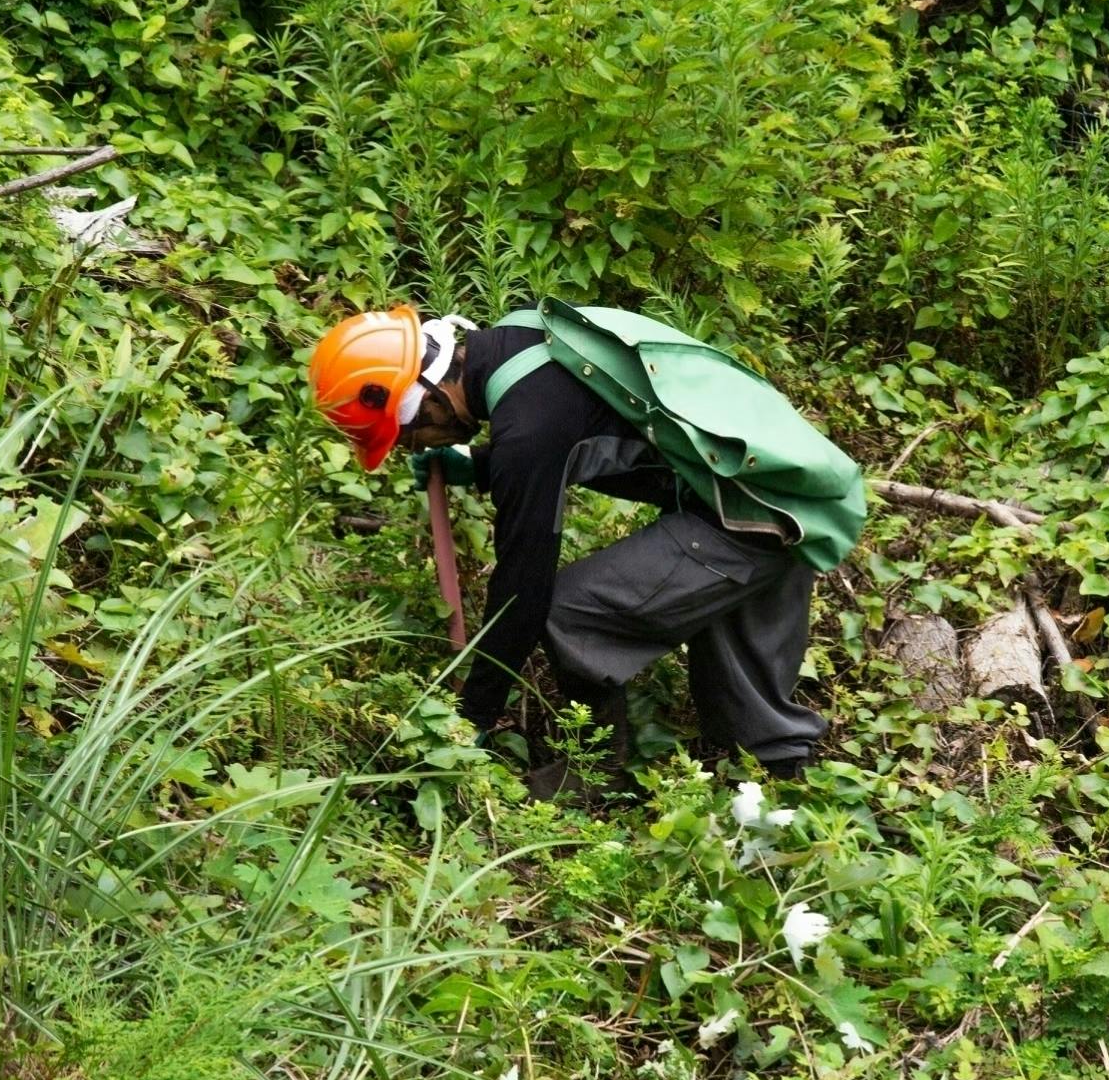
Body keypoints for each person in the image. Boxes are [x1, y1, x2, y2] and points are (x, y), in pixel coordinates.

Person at [309, 302, 859, 799]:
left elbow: (521, 591)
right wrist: (481, 465)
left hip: (748, 513)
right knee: (752, 712)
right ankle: (784, 781)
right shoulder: (524, 338)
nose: (418, 445)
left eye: (406, 435)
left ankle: (596, 770)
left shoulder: (526, 431)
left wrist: (471, 713)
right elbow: (589, 434)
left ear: (426, 397)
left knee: (570, 609)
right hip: (780, 486)